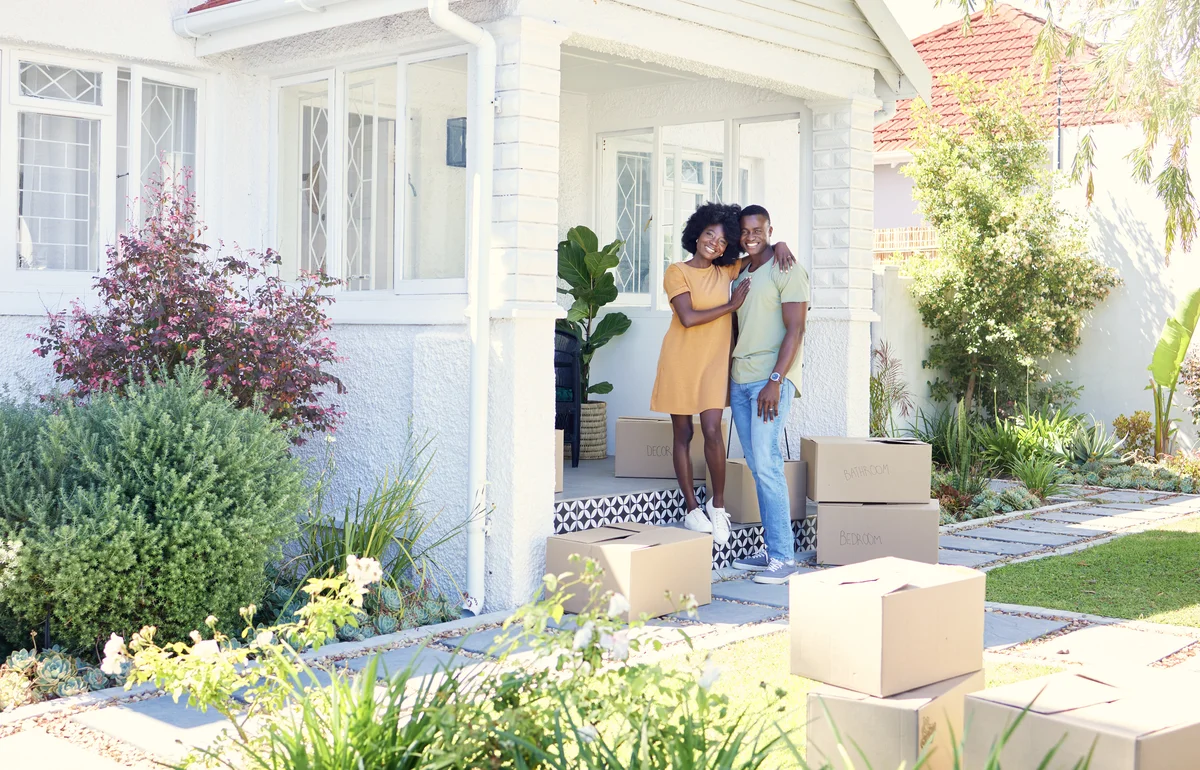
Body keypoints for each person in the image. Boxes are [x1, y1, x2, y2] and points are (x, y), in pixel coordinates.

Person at [650, 202, 793, 548]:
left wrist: (782, 244)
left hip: (714, 363)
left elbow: (759, 253)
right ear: (696, 234)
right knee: (683, 432)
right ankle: (690, 507)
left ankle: (718, 506)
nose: (714, 243)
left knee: (713, 431)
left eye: (721, 239)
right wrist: (731, 307)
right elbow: (687, 317)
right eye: (709, 235)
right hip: (680, 360)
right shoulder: (676, 271)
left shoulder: (726, 271)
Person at [728, 204, 809, 584]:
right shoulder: (742, 269)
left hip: (769, 382)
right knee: (759, 467)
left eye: (757, 229)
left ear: (769, 228)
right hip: (741, 378)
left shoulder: (786, 267)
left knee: (768, 463)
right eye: (744, 230)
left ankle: (783, 558)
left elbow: (796, 329)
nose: (750, 236)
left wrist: (776, 379)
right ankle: (772, 549)